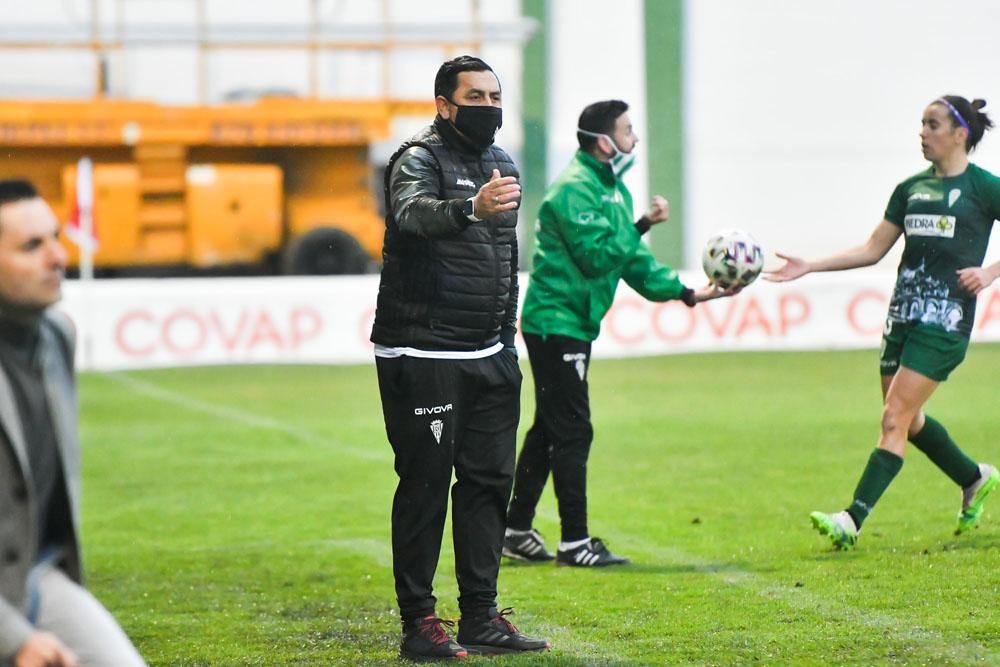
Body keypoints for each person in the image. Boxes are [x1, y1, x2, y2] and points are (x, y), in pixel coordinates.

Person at [502, 100, 737, 568]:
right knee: (573, 429)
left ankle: (515, 529)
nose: (634, 138)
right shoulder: (572, 190)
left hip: (573, 322)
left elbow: (633, 264)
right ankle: (575, 543)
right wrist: (643, 224)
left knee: (550, 427)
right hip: (555, 322)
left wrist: (691, 293)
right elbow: (595, 255)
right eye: (628, 130)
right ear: (604, 141)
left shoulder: (614, 191)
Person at [370, 56, 549, 660]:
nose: (489, 106)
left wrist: (505, 340)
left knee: (488, 482)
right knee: (424, 484)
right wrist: (469, 209)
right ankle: (419, 622)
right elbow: (410, 215)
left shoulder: (501, 162)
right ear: (445, 105)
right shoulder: (416, 159)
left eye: (495, 95)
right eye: (475, 95)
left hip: (490, 353)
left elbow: (505, 258)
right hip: (423, 351)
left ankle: (480, 616)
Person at [766, 95, 1000, 550]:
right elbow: (873, 249)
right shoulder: (910, 188)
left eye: (932, 125)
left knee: (893, 416)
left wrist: (990, 272)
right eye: (921, 124)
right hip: (903, 316)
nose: (922, 133)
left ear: (960, 135)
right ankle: (974, 477)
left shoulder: (984, 188)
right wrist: (810, 265)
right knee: (907, 421)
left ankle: (851, 520)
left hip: (944, 321)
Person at [0, 180, 146, 666]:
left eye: (55, 237)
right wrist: (14, 640)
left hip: (35, 578)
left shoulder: (57, 337)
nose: (58, 257)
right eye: (31, 246)